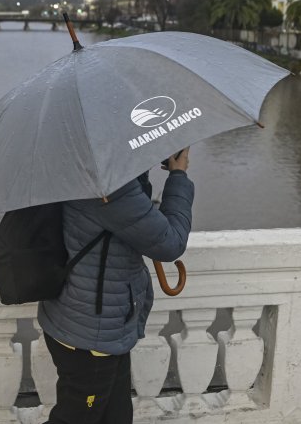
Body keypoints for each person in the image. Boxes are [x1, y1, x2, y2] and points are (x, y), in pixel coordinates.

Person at [38, 148, 194, 424]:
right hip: (91, 334)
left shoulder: (78, 164)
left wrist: (141, 168)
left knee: (116, 416)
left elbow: (129, 220)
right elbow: (170, 243)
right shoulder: (108, 184)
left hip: (88, 320)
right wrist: (178, 176)